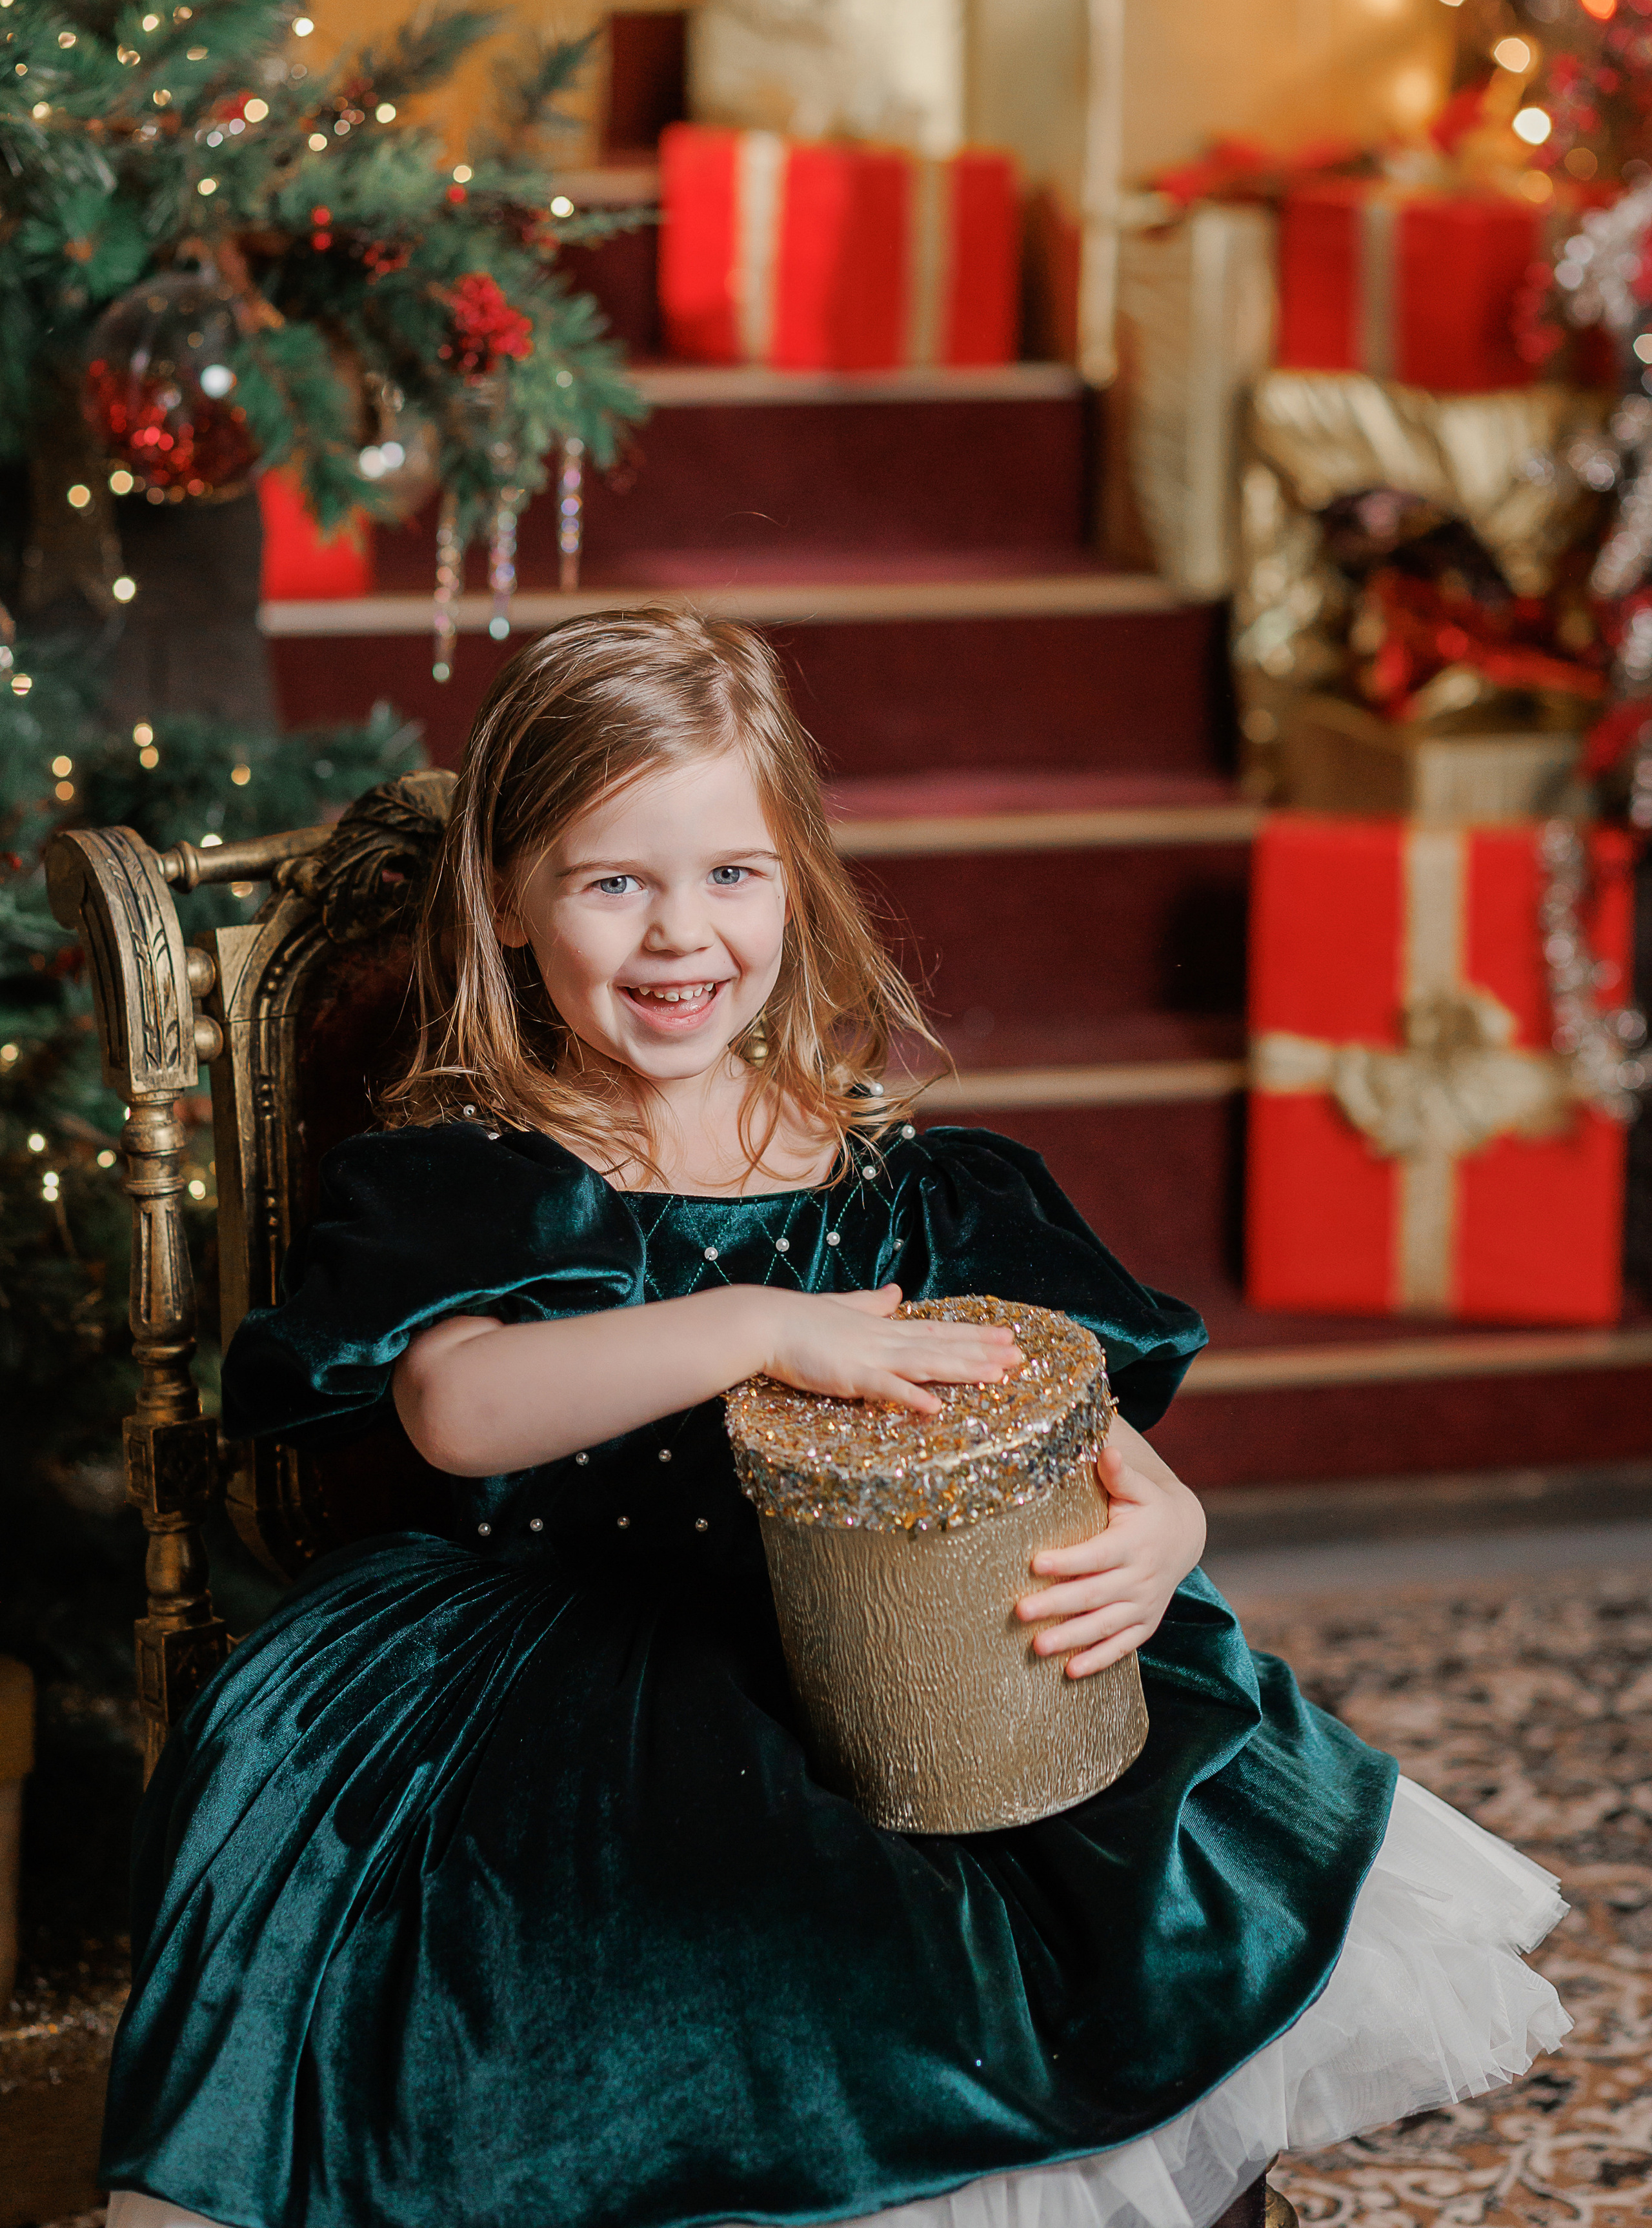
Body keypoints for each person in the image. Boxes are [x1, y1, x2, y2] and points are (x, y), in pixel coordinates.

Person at [103, 606, 1569, 2228]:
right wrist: (753, 1330)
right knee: (758, 1928)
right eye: (612, 882)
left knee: (1104, 1867)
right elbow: (458, 1409)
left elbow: (1038, 1407)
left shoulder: (898, 1185)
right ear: (510, 903)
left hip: (871, 1640)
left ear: (794, 881)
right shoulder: (479, 1168)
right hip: (543, 1663)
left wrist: (1165, 1518)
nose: (680, 936)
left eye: (730, 875)